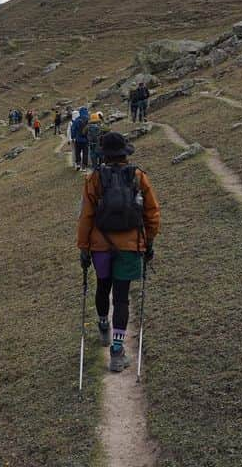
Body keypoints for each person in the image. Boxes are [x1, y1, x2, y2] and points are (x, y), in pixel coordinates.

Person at [77, 132, 160, 372]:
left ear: (104, 155)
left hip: (100, 247)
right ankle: (116, 350)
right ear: (125, 154)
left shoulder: (94, 179)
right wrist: (149, 241)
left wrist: (84, 248)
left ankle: (103, 326)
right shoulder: (138, 176)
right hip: (130, 247)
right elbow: (152, 212)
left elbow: (86, 216)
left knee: (103, 286)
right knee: (121, 298)